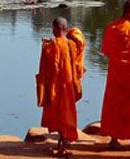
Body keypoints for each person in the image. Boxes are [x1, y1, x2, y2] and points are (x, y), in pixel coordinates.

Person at [36, 17, 85, 157]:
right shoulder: (72, 44)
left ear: (55, 29)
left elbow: (45, 68)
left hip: (54, 87)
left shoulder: (50, 46)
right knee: (66, 113)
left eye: (53, 28)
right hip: (68, 86)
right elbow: (80, 43)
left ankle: (63, 146)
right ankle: (63, 142)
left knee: (58, 114)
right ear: (66, 29)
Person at [100, 0, 130, 150]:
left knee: (114, 104)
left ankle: (114, 140)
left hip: (115, 74)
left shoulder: (111, 27)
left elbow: (105, 50)